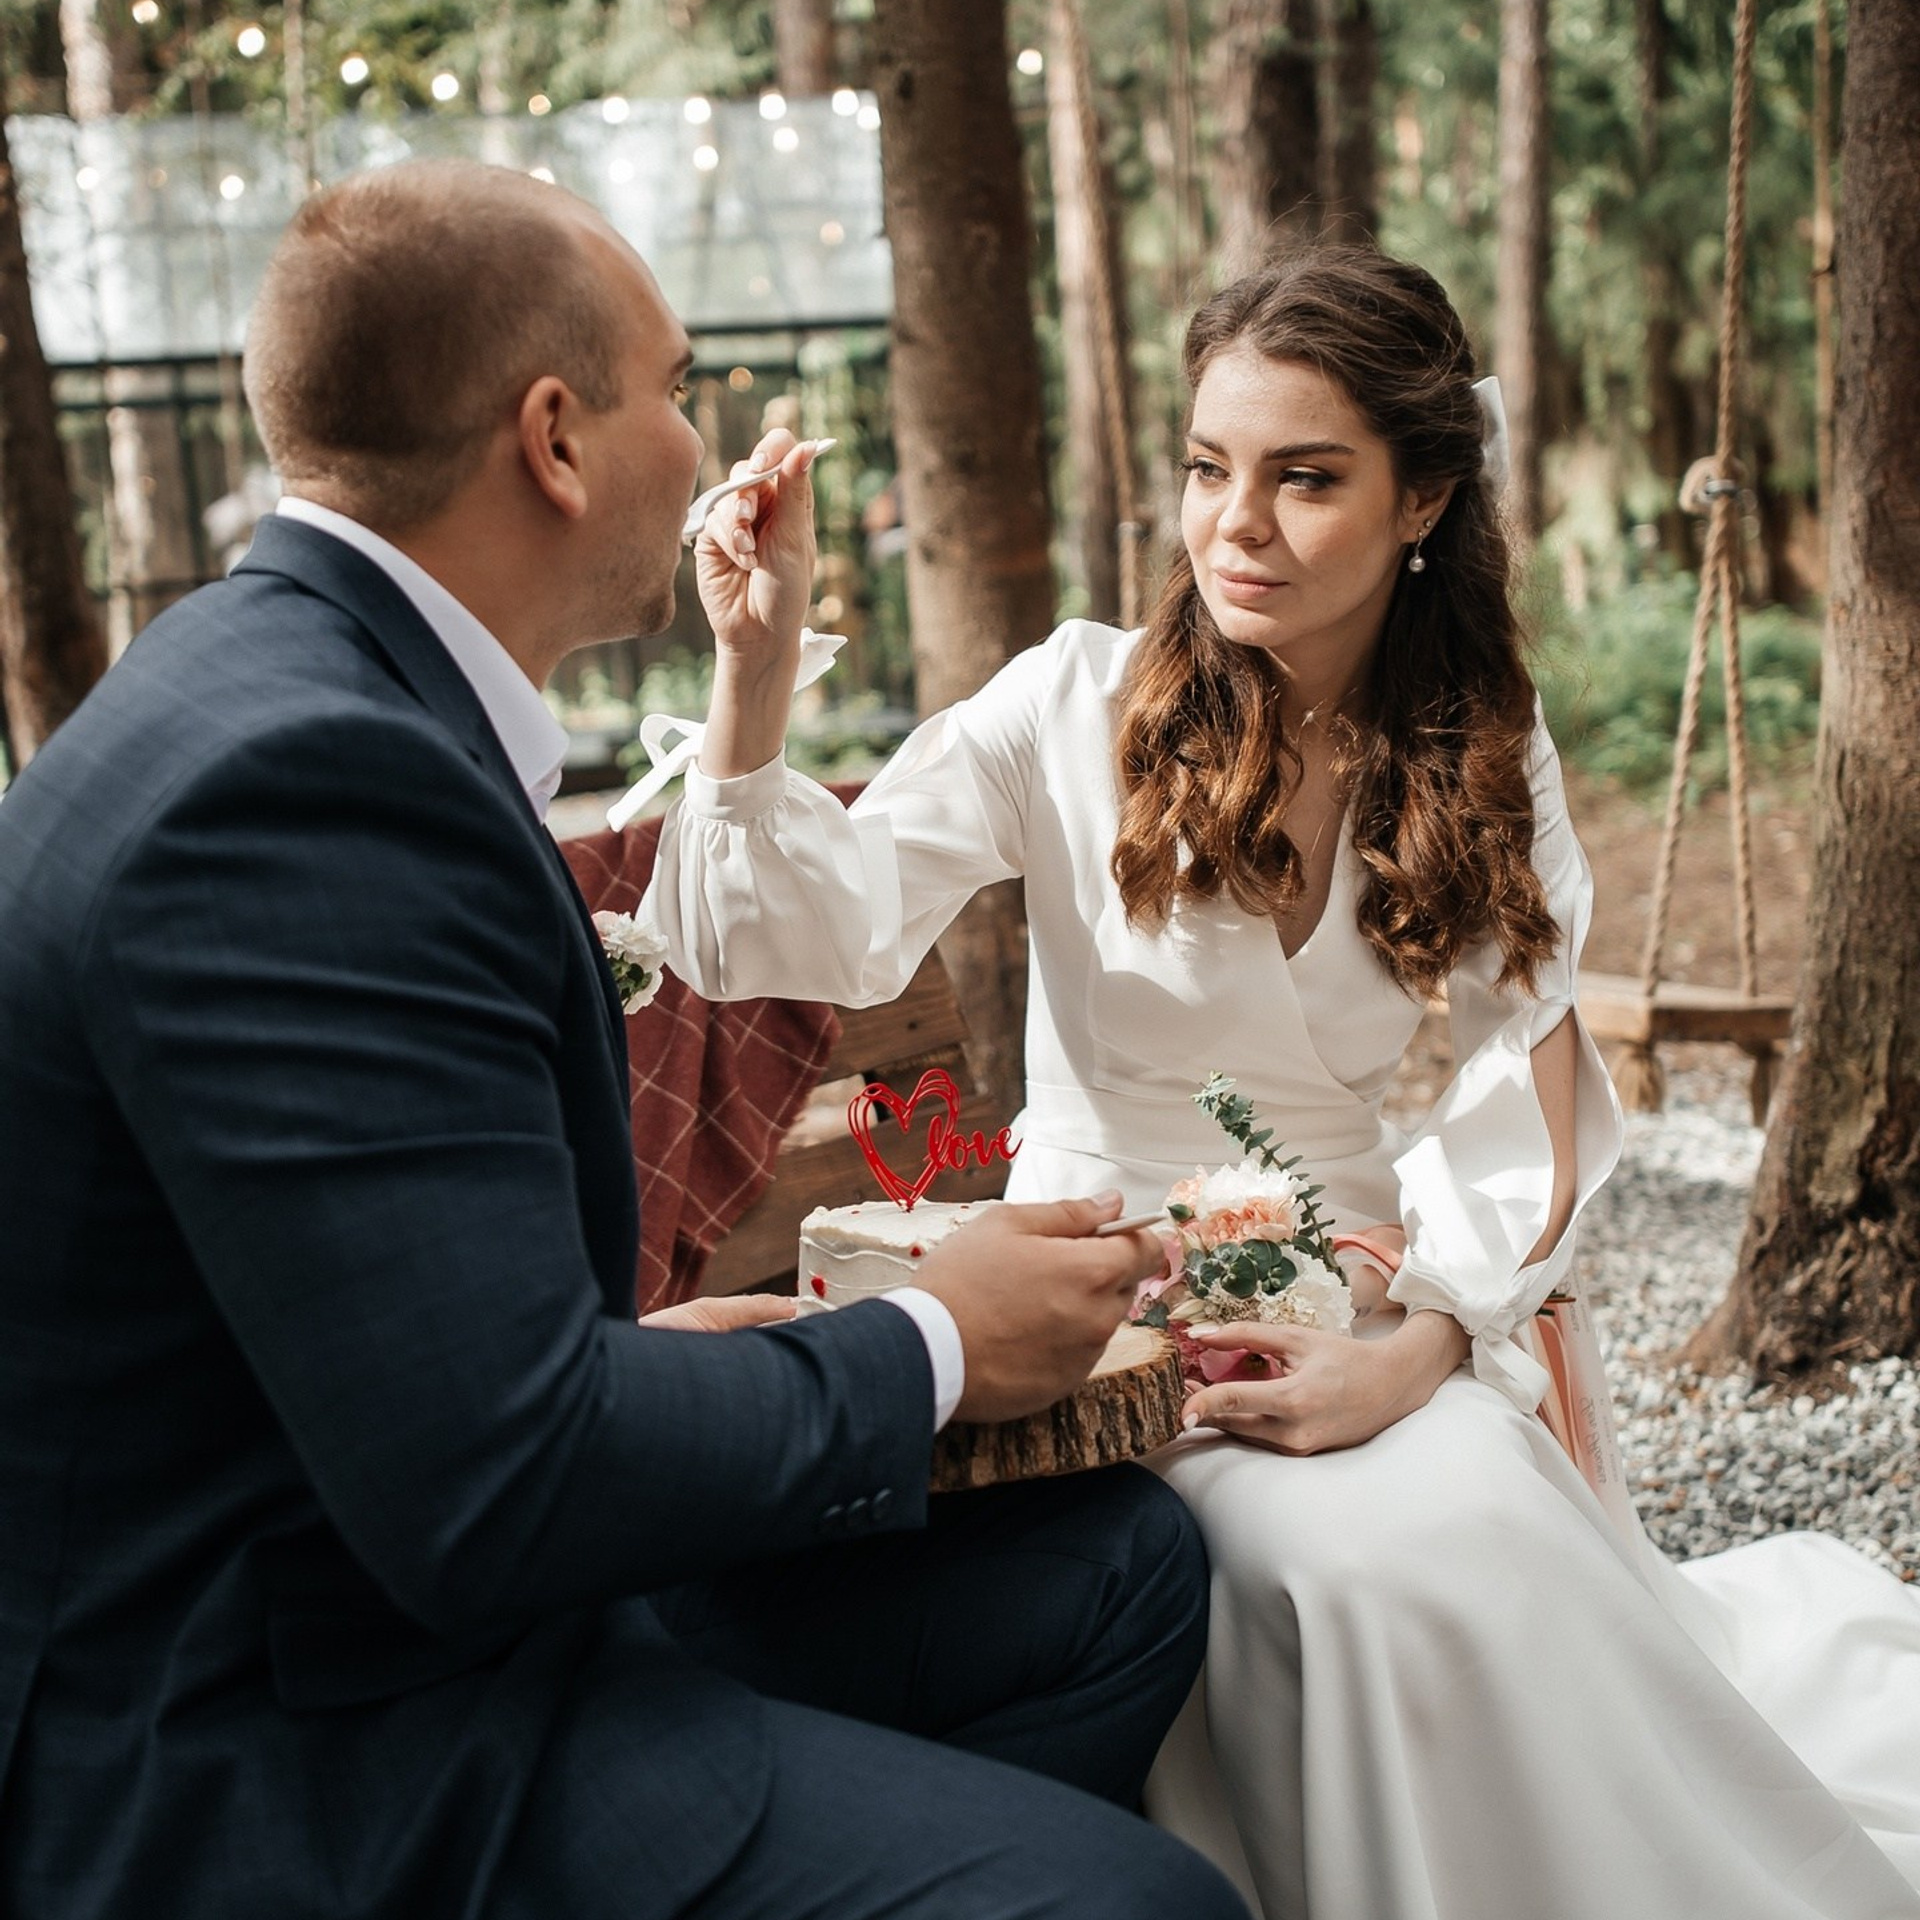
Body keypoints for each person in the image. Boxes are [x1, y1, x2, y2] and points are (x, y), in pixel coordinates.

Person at [0, 159, 1254, 1920]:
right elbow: (502, 1486)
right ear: (556, 439)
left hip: (387, 1566)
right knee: (1142, 1905)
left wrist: (671, 1345)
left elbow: (392, 1320)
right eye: (676, 388)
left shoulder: (273, 680)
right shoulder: (309, 796)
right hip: (284, 1738)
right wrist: (932, 1344)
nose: (702, 439)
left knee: (1117, 1568)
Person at [648, 245, 1920, 1919]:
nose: (1235, 522)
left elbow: (1529, 1096)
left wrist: (1417, 1350)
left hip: (1366, 1304)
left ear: (1422, 499)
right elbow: (794, 938)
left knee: (1467, 1521)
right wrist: (753, 670)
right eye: (1206, 468)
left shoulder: (1485, 741)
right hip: (1094, 1312)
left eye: (1305, 478)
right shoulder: (1074, 702)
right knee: (1349, 1574)